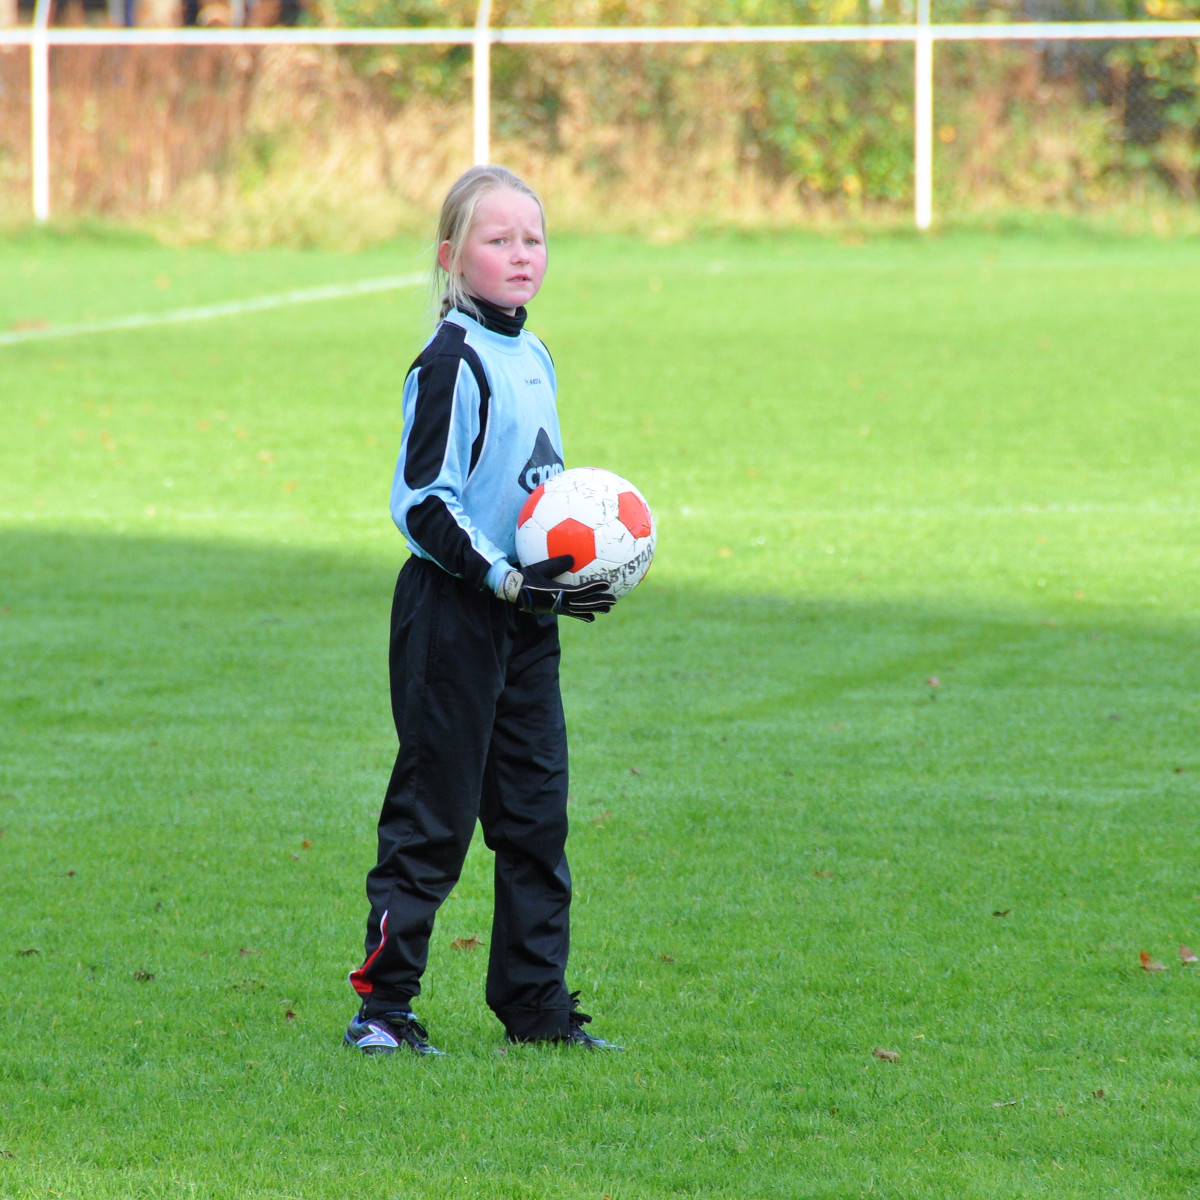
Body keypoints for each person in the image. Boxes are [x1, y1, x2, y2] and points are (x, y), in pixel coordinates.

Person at [344, 165, 619, 1056]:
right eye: (498, 240)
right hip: (452, 616)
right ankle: (382, 1012)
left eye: (533, 239)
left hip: (525, 621)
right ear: (451, 257)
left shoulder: (533, 354)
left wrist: (569, 568)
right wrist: (502, 578)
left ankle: (537, 1010)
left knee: (536, 820)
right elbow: (424, 503)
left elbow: (541, 493)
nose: (521, 254)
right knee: (434, 818)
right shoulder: (450, 362)